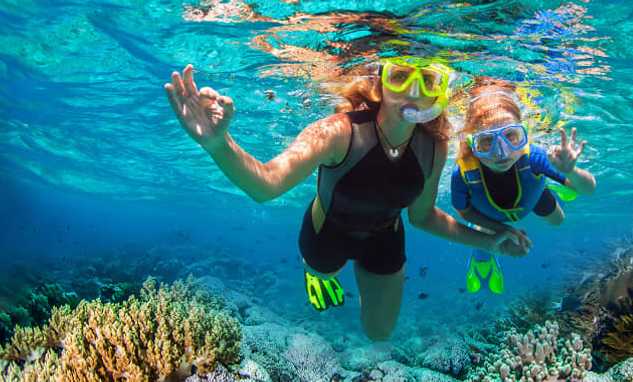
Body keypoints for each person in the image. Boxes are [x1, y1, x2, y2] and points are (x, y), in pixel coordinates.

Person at [163, 58, 528, 340]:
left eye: (428, 81)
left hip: (386, 235)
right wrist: (217, 143)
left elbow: (422, 217)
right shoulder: (339, 131)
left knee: (379, 333)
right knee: (323, 270)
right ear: (381, 84)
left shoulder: (435, 145)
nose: (413, 92)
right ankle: (317, 274)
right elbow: (266, 185)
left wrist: (490, 240)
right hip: (327, 232)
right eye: (400, 77)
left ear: (438, 93)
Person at [451, 78, 597, 294]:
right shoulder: (462, 174)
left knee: (558, 220)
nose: (501, 152)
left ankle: (557, 181)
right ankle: (482, 263)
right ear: (472, 145)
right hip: (489, 216)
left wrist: (570, 171)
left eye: (511, 137)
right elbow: (463, 211)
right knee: (484, 238)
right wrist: (504, 229)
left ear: (524, 135)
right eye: (486, 142)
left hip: (532, 195)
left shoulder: (535, 157)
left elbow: (589, 189)